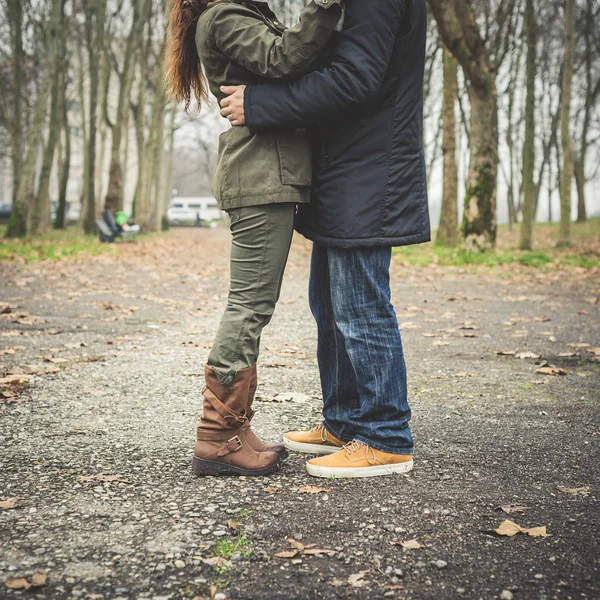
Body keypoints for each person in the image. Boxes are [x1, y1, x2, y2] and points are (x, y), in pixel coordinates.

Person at [219, 0, 430, 478]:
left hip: (370, 167)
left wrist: (260, 104)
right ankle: (345, 422)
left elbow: (356, 79)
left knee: (361, 306)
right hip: (345, 165)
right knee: (330, 305)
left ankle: (386, 436)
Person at [165, 0, 344, 476]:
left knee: (251, 305)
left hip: (268, 176)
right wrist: (326, 5)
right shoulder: (224, 17)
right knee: (249, 305)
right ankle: (217, 436)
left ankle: (233, 429)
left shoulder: (235, 14)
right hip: (259, 177)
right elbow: (284, 57)